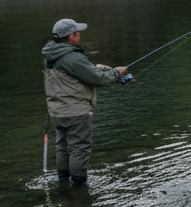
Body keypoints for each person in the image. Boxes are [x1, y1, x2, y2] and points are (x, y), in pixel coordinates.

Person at [42, 18, 127, 184]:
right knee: (79, 149)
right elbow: (98, 80)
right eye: (77, 32)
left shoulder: (50, 54)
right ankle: (80, 186)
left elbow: (71, 76)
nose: (79, 34)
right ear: (71, 37)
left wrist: (96, 68)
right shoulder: (72, 57)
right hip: (76, 113)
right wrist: (117, 72)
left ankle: (63, 182)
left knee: (63, 148)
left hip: (57, 112)